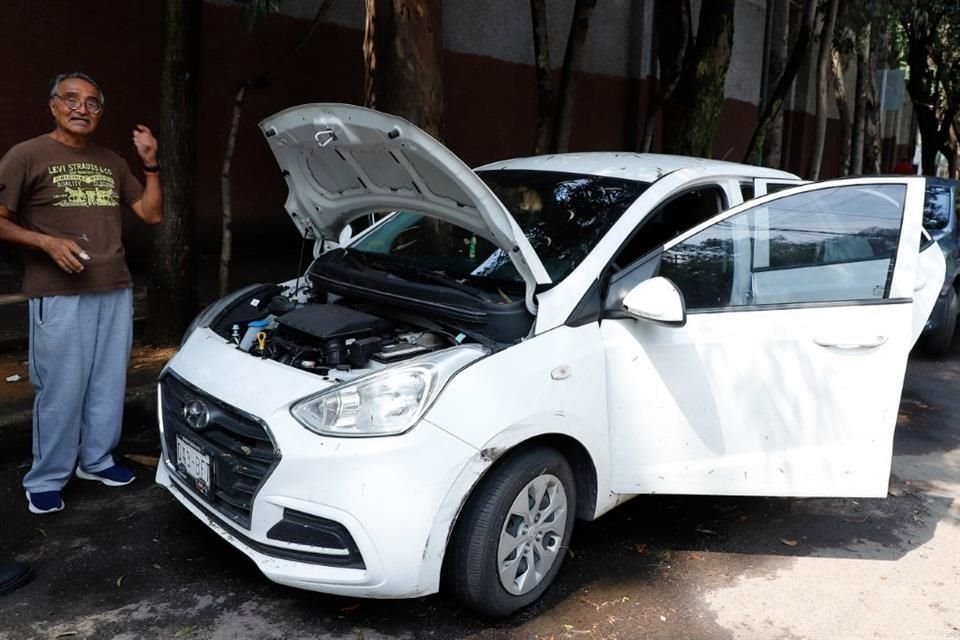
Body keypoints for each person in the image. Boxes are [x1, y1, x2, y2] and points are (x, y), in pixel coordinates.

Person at [0, 72, 162, 514]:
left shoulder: (111, 161)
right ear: (53, 105)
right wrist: (46, 243)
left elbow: (150, 214)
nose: (81, 108)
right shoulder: (26, 155)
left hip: (114, 288)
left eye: (92, 103)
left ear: (100, 113)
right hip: (58, 292)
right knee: (61, 387)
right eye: (71, 99)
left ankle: (97, 459)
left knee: (108, 382)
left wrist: (149, 164)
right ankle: (47, 476)